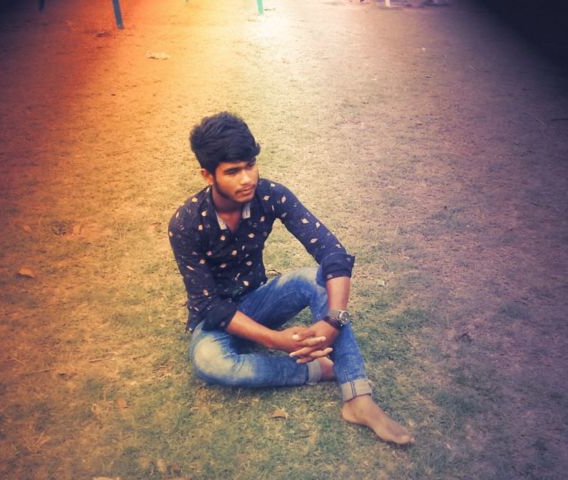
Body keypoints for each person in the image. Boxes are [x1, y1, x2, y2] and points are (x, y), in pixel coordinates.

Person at [168, 112, 414, 445]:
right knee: (209, 362)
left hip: (258, 301)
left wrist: (333, 321)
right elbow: (209, 305)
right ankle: (319, 369)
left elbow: (331, 252)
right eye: (233, 171)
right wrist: (275, 340)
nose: (247, 179)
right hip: (215, 323)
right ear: (207, 175)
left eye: (250, 165)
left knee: (315, 279)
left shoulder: (270, 195)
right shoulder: (186, 223)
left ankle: (358, 398)